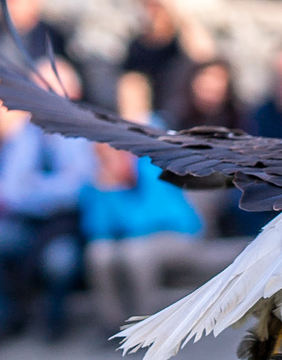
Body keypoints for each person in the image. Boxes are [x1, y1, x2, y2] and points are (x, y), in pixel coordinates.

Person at [0, 62, 96, 344]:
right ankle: (1, 318)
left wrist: (32, 188)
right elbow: (7, 190)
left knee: (59, 262)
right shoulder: (22, 134)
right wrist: (43, 192)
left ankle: (54, 320)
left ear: (73, 90)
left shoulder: (87, 132)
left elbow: (80, 189)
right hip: (24, 223)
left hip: (67, 225)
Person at [80, 144, 205, 342]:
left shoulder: (150, 169)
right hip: (131, 241)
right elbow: (96, 230)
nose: (109, 161)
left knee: (135, 252)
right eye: (103, 158)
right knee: (98, 252)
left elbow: (149, 220)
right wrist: (106, 193)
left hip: (175, 236)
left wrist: (117, 192)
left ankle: (145, 325)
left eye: (113, 155)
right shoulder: (98, 181)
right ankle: (112, 326)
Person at [123, 0, 217, 119]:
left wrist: (178, 13)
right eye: (148, 3)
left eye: (158, 4)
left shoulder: (184, 39)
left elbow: (206, 57)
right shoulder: (137, 45)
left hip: (183, 118)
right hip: (151, 119)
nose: (153, 10)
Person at [174, 58, 245, 131]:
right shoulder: (175, 116)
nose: (210, 83)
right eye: (206, 75)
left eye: (218, 78)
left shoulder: (238, 121)